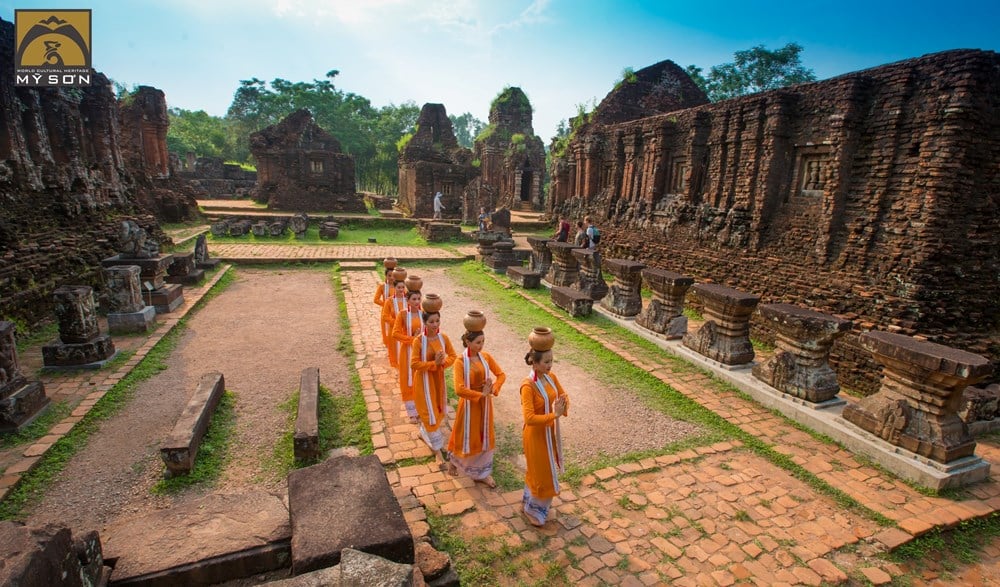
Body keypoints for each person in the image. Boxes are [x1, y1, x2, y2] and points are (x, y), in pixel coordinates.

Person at [447, 329, 506, 487]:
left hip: (485, 405)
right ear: (468, 342)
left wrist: (493, 389)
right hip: (469, 405)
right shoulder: (460, 361)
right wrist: (480, 394)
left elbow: (501, 375)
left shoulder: (486, 357)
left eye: (483, 342)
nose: (481, 345)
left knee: (484, 436)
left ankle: (482, 473)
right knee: (466, 436)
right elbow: (459, 389)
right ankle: (455, 461)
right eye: (478, 342)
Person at [520, 344, 569, 527]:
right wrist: (553, 415)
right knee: (543, 473)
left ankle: (530, 502)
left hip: (548, 433)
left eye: (551, 361)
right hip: (535, 435)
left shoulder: (551, 377)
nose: (550, 365)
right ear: (535, 363)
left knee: (543, 471)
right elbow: (529, 417)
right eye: (546, 362)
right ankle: (532, 510)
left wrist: (563, 404)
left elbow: (562, 394)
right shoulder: (527, 386)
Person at [411, 308, 457, 464]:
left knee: (437, 411)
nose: (435, 324)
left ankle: (424, 433)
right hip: (423, 383)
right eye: (431, 321)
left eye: (437, 321)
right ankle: (438, 453)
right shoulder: (418, 341)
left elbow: (453, 356)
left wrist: (442, 363)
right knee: (429, 414)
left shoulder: (443, 338)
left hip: (438, 382)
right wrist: (433, 363)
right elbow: (414, 364)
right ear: (424, 322)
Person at [392, 289, 424, 422]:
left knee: (420, 379)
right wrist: (412, 339)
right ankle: (411, 411)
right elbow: (395, 333)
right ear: (407, 300)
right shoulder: (403, 314)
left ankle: (420, 407)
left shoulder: (424, 314)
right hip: (407, 351)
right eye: (414, 299)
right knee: (408, 379)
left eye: (418, 299)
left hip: (421, 351)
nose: (417, 302)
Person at [380, 279, 407, 368]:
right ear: (394, 287)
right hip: (394, 328)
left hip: (406, 329)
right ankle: (396, 364)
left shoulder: (408, 300)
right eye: (399, 287)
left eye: (403, 287)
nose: (401, 289)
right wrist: (396, 322)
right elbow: (385, 316)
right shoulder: (389, 301)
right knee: (394, 349)